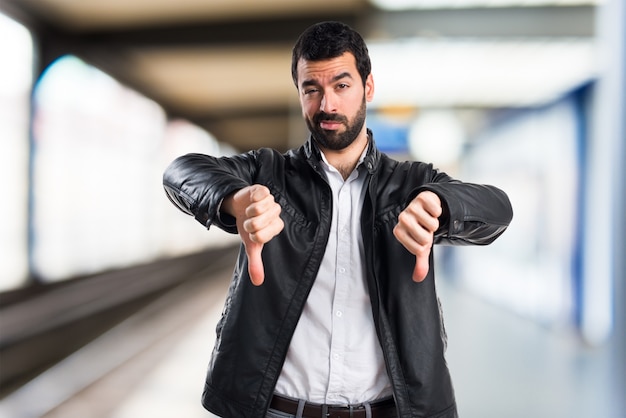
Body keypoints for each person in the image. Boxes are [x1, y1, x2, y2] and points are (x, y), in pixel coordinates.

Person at [163, 21, 513, 418]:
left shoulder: (413, 184)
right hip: (276, 410)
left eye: (341, 86)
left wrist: (441, 204)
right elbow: (181, 172)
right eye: (311, 89)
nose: (326, 104)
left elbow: (498, 208)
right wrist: (234, 198)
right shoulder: (267, 174)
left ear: (368, 88)